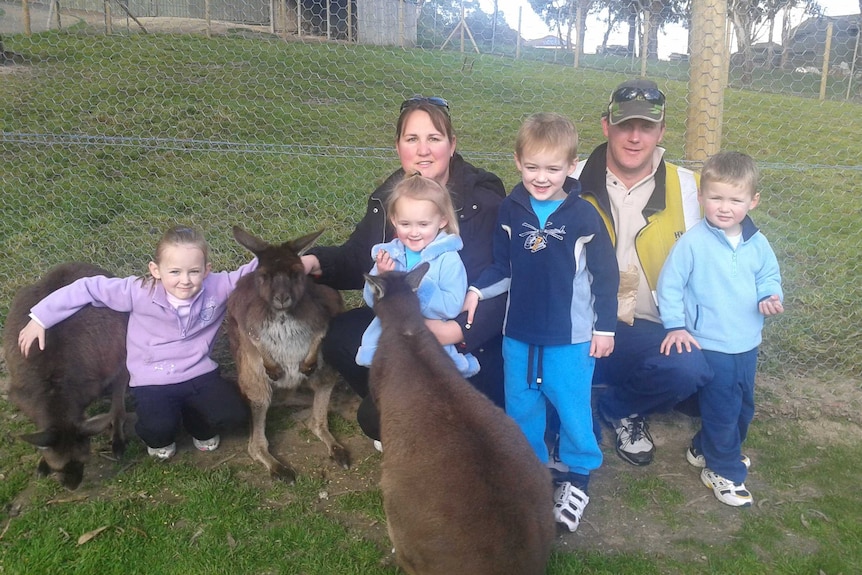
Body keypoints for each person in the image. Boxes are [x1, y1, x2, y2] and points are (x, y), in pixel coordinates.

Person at [301, 96, 507, 441]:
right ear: (398, 146)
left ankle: (434, 421)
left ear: (452, 145)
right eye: (412, 139)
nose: (423, 150)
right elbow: (358, 258)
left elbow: (503, 277)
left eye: (434, 138)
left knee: (377, 418)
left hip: (466, 336)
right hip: (406, 322)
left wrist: (456, 332)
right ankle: (401, 396)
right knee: (339, 337)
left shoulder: (482, 201)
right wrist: (311, 261)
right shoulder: (391, 196)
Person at [464, 113, 619, 532]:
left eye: (553, 169)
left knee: (571, 407)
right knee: (522, 407)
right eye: (532, 167)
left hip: (570, 338)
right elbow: (503, 266)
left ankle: (578, 475)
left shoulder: (584, 216)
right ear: (517, 161)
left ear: (571, 167)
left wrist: (605, 328)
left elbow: (606, 276)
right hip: (519, 336)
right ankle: (529, 473)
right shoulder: (510, 210)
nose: (542, 177)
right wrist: (478, 290)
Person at [18, 225, 255, 461]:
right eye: (174, 272)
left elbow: (256, 270)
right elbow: (88, 288)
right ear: (156, 270)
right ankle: (158, 437)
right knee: (158, 428)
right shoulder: (138, 292)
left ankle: (199, 425)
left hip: (198, 371)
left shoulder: (217, 286)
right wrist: (41, 317)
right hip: (153, 377)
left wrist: (290, 254)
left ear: (206, 271)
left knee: (233, 414)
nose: (184, 280)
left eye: (193, 271)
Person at [575, 78, 713, 466]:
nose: (635, 137)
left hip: (649, 329)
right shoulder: (567, 179)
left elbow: (736, 241)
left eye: (647, 127)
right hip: (579, 326)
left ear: (661, 131)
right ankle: (569, 403)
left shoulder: (692, 189)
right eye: (624, 126)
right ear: (606, 126)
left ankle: (619, 407)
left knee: (693, 371)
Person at [657, 151, 784, 507]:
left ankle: (704, 447)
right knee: (722, 407)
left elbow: (768, 276)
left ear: (752, 201)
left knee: (744, 404)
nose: (724, 207)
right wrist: (676, 325)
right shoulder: (692, 243)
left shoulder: (757, 243)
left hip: (747, 341)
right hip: (711, 342)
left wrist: (770, 296)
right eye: (715, 197)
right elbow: (670, 285)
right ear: (701, 197)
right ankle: (723, 469)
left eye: (735, 199)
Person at [356, 172, 479, 378]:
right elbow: (370, 301)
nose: (414, 232)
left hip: (428, 348)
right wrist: (383, 276)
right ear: (394, 220)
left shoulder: (448, 259)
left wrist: (416, 286)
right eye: (406, 224)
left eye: (423, 224)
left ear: (442, 221)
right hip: (389, 346)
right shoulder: (389, 254)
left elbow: (452, 307)